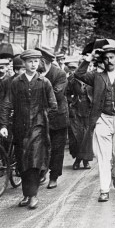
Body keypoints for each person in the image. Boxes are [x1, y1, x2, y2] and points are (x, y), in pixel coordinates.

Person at [74, 43, 115, 202]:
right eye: (106, 58)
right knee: (104, 157)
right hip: (102, 119)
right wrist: (88, 58)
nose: (109, 61)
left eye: (112, 57)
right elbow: (79, 74)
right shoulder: (97, 77)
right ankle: (104, 189)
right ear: (103, 60)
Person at [0, 49, 57, 209]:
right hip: (20, 128)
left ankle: (33, 196)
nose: (33, 64)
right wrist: (3, 125)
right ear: (24, 63)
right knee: (22, 162)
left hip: (38, 129)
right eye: (30, 61)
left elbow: (53, 105)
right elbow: (7, 103)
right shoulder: (16, 83)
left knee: (34, 162)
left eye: (36, 61)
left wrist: (43, 119)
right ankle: (26, 194)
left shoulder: (44, 82)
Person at [36, 46, 69, 189]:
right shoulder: (36, 74)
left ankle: (54, 176)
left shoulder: (59, 74)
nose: (35, 63)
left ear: (44, 61)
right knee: (40, 147)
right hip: (40, 117)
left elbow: (56, 95)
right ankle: (41, 171)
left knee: (57, 149)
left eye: (38, 60)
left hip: (58, 118)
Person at [66, 60, 93, 170]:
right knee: (77, 136)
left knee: (87, 137)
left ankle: (85, 161)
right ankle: (77, 159)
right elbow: (66, 93)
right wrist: (71, 101)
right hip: (76, 110)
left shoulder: (92, 79)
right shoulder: (71, 79)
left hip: (89, 110)